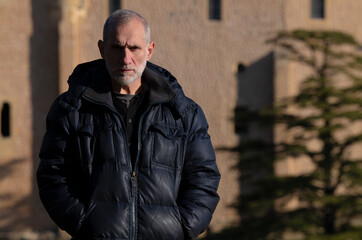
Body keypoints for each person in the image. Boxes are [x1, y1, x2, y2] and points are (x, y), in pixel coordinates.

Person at [37, 9, 220, 240]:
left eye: (134, 48)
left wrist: (182, 226)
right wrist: (84, 224)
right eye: (117, 48)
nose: (126, 59)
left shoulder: (183, 114)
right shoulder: (71, 110)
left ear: (149, 50)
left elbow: (204, 177)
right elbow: (53, 175)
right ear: (102, 50)